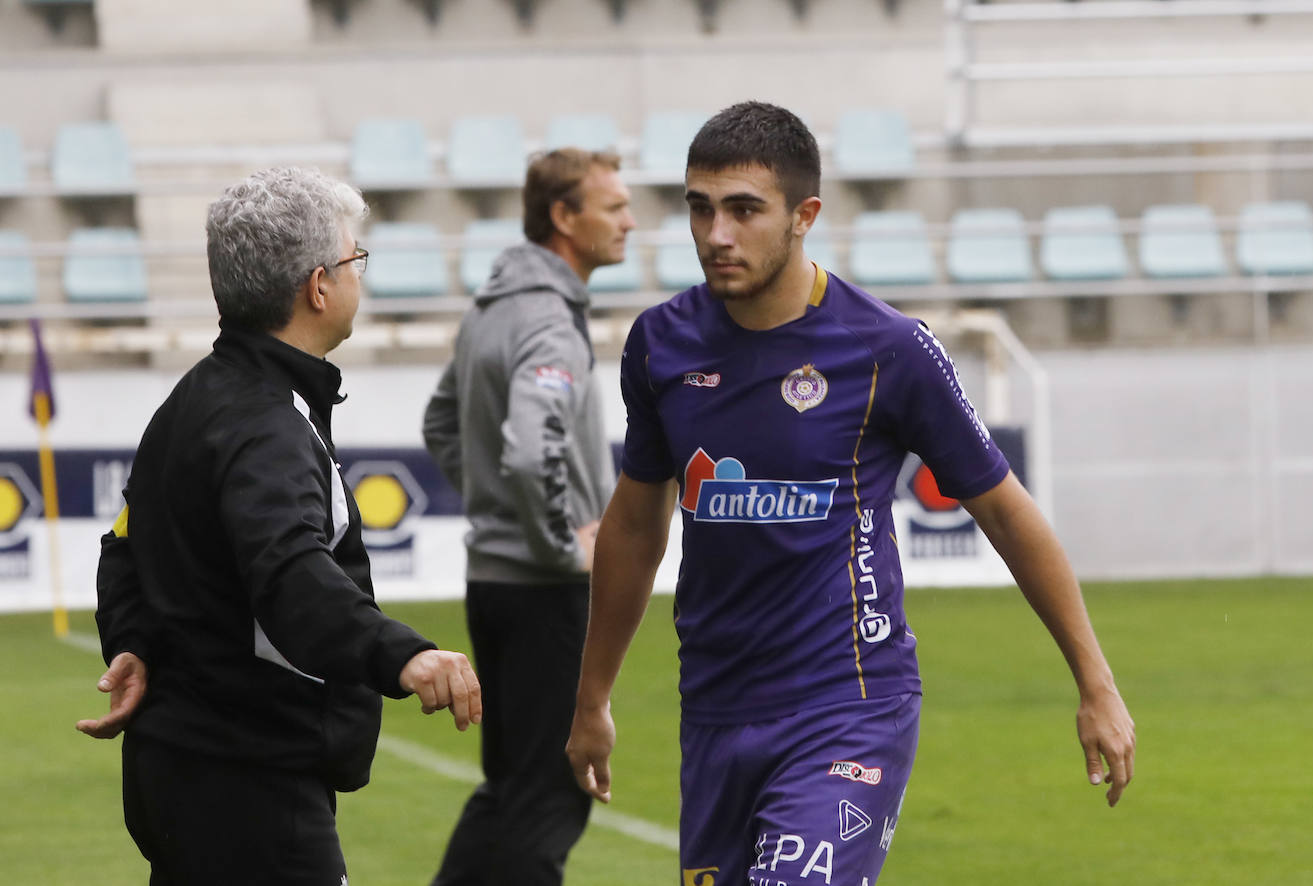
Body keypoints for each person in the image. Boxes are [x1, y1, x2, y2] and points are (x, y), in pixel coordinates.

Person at [565, 101, 1136, 885]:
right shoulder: (661, 344)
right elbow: (633, 528)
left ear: (805, 216)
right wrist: (592, 697)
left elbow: (1004, 509)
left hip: (850, 706)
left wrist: (1095, 684)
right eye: (700, 209)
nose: (716, 235)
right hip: (715, 711)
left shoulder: (887, 350)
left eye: (743, 210)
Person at [75, 166, 482, 886]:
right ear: (318, 286)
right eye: (355, 258)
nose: (362, 274)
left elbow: (121, 547)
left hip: (180, 773)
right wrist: (405, 656)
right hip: (249, 789)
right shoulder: (266, 427)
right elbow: (292, 577)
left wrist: (133, 642)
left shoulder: (193, 400)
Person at [421, 148, 632, 886]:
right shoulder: (548, 322)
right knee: (550, 796)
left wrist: (501, 515)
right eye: (614, 207)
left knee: (513, 790)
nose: (630, 221)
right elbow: (528, 443)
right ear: (564, 218)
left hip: (495, 584)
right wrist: (558, 545)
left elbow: (442, 425)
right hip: (546, 592)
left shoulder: (492, 309)